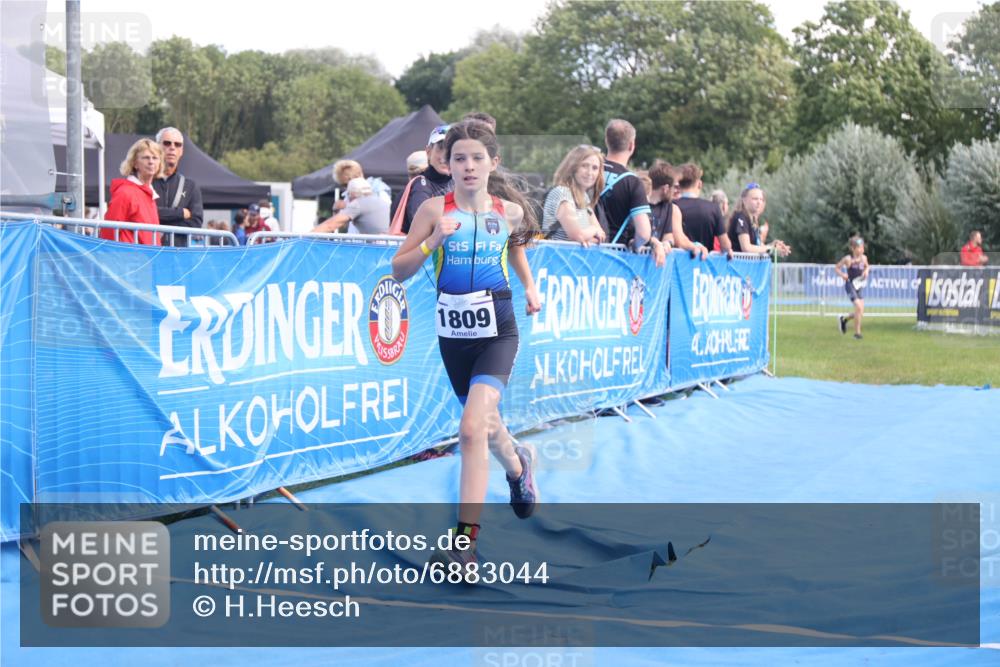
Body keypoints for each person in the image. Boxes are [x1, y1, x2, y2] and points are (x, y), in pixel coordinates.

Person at [391, 120, 542, 570]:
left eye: (478, 158)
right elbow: (399, 268)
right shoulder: (433, 211)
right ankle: (518, 466)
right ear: (447, 163)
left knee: (472, 429)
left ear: (493, 163)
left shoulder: (508, 212)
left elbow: (515, 247)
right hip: (454, 337)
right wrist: (432, 242)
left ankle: (464, 546)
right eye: (460, 158)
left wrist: (529, 286)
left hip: (498, 330)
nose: (469, 166)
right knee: (488, 426)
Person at [598, 119, 666, 266]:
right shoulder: (632, 182)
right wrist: (636, 245)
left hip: (579, 252)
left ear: (606, 141)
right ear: (631, 145)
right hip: (612, 258)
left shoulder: (589, 171)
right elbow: (643, 232)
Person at [541, 145, 607, 246]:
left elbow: (601, 235)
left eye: (595, 168)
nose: (590, 172)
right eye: (584, 166)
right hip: (557, 258)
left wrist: (589, 237)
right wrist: (593, 230)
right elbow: (578, 235)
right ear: (572, 167)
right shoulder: (562, 193)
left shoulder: (584, 197)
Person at [101, 137, 164, 245]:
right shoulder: (125, 192)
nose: (151, 162)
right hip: (129, 259)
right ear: (134, 163)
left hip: (147, 258)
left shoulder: (149, 194)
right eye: (146, 157)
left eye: (155, 158)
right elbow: (109, 231)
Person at [395, 124, 453, 235]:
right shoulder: (421, 186)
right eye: (440, 148)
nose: (445, 155)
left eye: (451, 149)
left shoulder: (456, 183)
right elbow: (422, 228)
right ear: (428, 151)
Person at [152, 127, 203, 247]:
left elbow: (195, 222)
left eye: (177, 144)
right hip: (148, 253)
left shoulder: (190, 186)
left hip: (178, 255)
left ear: (181, 151)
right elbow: (144, 215)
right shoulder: (145, 181)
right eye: (167, 143)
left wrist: (161, 223)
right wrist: (180, 213)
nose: (172, 147)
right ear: (156, 147)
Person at [672, 163, 732, 260]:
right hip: (703, 266)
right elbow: (725, 245)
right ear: (699, 184)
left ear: (679, 185)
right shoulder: (713, 208)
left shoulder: (671, 206)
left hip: (676, 265)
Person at [727, 183, 791, 257]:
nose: (759, 202)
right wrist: (771, 249)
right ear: (744, 200)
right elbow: (746, 248)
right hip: (737, 266)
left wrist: (773, 245)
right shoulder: (741, 217)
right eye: (755, 199)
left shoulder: (752, 220)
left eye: (761, 199)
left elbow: (758, 246)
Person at [313, 177, 390, 235]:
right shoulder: (379, 200)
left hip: (378, 249)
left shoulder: (358, 204)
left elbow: (330, 225)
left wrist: (304, 238)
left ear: (352, 194)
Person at [835, 235, 870, 340]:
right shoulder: (848, 259)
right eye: (859, 247)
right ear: (853, 248)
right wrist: (843, 275)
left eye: (862, 247)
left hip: (859, 285)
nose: (862, 249)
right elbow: (837, 268)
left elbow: (867, 266)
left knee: (861, 312)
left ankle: (844, 319)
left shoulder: (864, 258)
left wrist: (866, 271)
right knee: (858, 307)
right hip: (850, 285)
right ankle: (857, 334)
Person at [648, 161, 680, 245]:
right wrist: (655, 243)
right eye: (674, 187)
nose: (675, 191)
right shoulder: (639, 203)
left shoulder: (668, 206)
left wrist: (668, 243)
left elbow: (668, 234)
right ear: (665, 188)